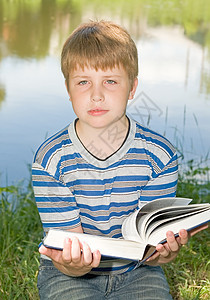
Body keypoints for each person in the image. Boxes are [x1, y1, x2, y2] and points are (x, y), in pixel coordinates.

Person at [32, 20, 207, 300]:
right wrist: (73, 265)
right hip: (67, 272)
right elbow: (67, 249)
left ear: (132, 87)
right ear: (68, 89)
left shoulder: (159, 157)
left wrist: (162, 254)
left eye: (111, 81)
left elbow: (148, 246)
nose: (97, 94)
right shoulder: (51, 161)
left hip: (138, 271)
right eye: (83, 82)